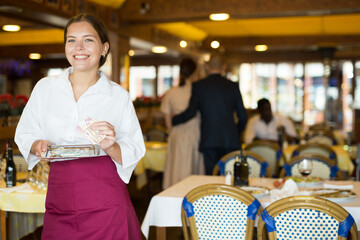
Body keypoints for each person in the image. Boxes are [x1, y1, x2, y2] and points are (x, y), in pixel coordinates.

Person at [15, 14, 145, 239]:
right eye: (71, 40)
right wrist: (37, 145)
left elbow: (134, 149)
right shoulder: (46, 88)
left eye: (88, 40)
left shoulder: (118, 96)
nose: (79, 47)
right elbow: (25, 132)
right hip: (60, 194)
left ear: (104, 48)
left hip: (106, 197)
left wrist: (111, 146)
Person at [172, 54, 247, 175]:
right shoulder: (233, 86)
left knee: (211, 178)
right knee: (230, 178)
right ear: (224, 67)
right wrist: (235, 132)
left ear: (207, 67)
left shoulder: (199, 86)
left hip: (209, 139)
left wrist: (174, 120)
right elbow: (243, 116)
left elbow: (190, 113)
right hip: (230, 140)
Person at [160, 58, 204, 189]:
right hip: (195, 132)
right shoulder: (199, 91)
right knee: (193, 169)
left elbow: (168, 123)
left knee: (176, 170)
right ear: (195, 73)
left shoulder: (171, 93)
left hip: (177, 134)